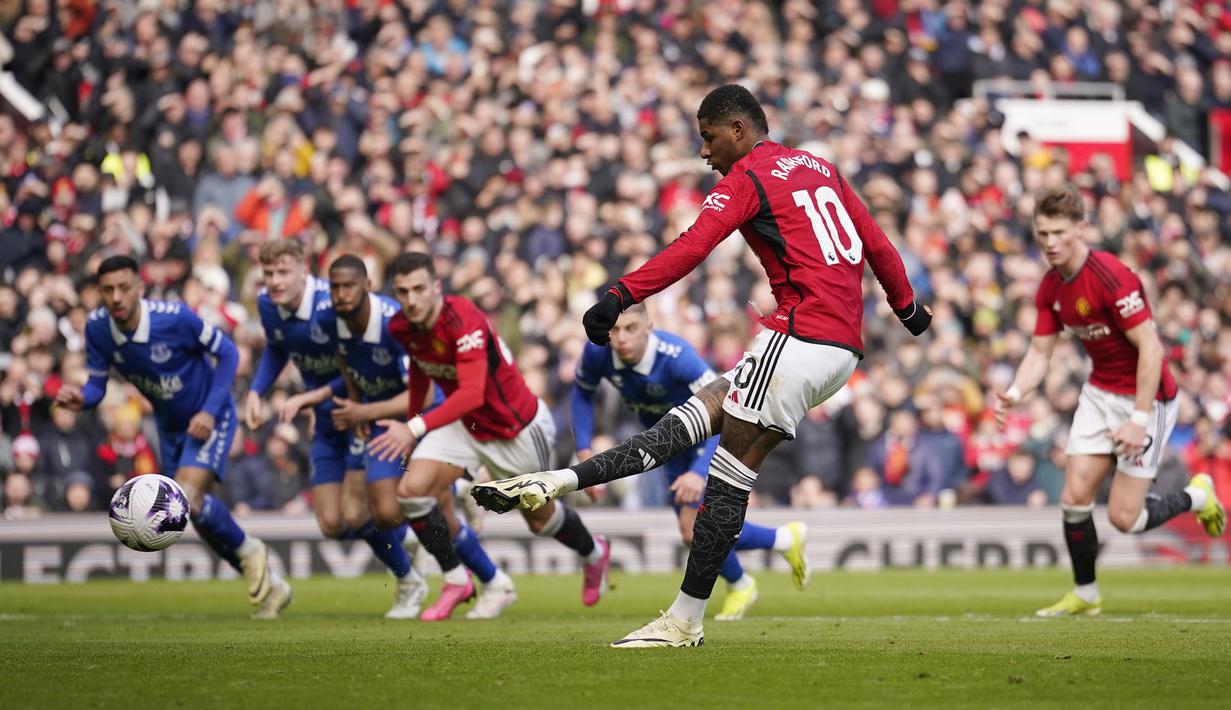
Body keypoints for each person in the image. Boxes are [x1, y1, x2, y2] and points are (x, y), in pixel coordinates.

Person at [472, 84, 930, 647]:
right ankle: (559, 480)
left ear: (738, 130)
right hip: (839, 350)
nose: (705, 153)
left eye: (709, 139)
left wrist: (619, 294)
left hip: (798, 336)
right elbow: (876, 242)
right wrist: (907, 308)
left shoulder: (749, 179)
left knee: (722, 480)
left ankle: (685, 620)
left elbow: (692, 247)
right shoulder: (821, 167)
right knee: (689, 421)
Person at [992, 185, 1224, 618]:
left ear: (1081, 229)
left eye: (1059, 232)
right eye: (1042, 234)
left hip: (1147, 397)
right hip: (1100, 393)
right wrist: (1016, 393)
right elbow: (1040, 352)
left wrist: (1138, 419)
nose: (1050, 242)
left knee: (1125, 519)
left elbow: (1151, 350)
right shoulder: (1050, 287)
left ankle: (1197, 495)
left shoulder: (1111, 276)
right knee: (1075, 496)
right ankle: (1086, 593)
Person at [368, 252, 611, 621]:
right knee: (412, 492)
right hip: (465, 424)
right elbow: (420, 371)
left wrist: (415, 428)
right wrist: (416, 422)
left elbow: (472, 393)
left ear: (436, 287)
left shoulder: (462, 317)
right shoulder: (402, 327)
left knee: (539, 520)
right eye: (403, 291)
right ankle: (455, 580)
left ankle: (593, 553)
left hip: (514, 427)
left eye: (419, 289)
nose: (412, 299)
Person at [55, 255, 291, 619]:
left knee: (188, 497)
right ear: (99, 292)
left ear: (140, 288)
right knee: (192, 514)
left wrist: (209, 411)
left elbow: (227, 353)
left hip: (209, 415)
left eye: (124, 287)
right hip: (169, 425)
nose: (116, 296)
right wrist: (81, 398)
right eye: (108, 290)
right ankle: (271, 582)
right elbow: (97, 386)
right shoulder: (98, 328)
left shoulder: (175, 319)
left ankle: (251, 552)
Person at [286, 255, 514, 621]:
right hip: (379, 418)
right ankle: (471, 570)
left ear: (368, 286)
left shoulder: (395, 321)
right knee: (363, 515)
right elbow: (347, 363)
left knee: (399, 508)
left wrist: (366, 412)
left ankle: (473, 572)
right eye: (335, 287)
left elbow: (421, 395)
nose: (341, 294)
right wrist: (356, 402)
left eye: (349, 286)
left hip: (421, 417)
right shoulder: (331, 319)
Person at [572, 304, 809, 620]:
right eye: (614, 330)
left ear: (649, 326)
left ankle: (743, 583)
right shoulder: (598, 353)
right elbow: (581, 393)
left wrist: (699, 472)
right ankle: (780, 541)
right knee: (691, 532)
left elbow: (728, 409)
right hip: (666, 444)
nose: (621, 338)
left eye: (630, 328)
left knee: (692, 525)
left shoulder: (678, 357)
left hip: (705, 437)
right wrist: (583, 446)